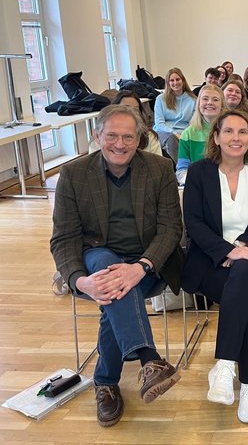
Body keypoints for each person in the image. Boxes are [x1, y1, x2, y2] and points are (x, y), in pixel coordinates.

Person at [50, 104, 183, 427]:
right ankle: (149, 360)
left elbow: (170, 229)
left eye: (128, 137)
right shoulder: (73, 174)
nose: (119, 144)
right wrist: (80, 282)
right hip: (97, 263)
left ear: (140, 139)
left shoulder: (159, 169)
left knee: (118, 290)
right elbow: (64, 239)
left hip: (150, 265)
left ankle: (107, 382)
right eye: (111, 136)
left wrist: (141, 267)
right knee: (108, 269)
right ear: (97, 136)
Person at [182, 110, 248, 423]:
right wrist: (225, 251)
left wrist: (239, 248)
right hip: (209, 260)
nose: (235, 138)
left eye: (242, 132)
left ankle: (225, 364)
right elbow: (193, 223)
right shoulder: (199, 173)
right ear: (216, 137)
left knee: (242, 274)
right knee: (245, 299)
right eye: (228, 131)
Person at [176, 84, 227, 185]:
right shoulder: (188, 134)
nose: (210, 103)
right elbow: (181, 171)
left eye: (215, 99)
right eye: (205, 99)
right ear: (199, 103)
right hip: (198, 185)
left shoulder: (231, 132)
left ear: (222, 105)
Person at [90, 90, 162, 156]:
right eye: (124, 109)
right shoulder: (100, 137)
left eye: (135, 110)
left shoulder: (150, 137)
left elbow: (157, 166)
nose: (130, 113)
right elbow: (94, 165)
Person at [153, 67, 196, 163]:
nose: (175, 83)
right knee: (172, 139)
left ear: (183, 81)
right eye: (171, 80)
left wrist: (185, 134)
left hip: (184, 132)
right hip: (164, 132)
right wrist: (174, 133)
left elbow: (193, 123)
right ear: (168, 83)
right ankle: (178, 170)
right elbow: (159, 124)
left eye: (178, 79)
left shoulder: (193, 99)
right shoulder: (160, 99)